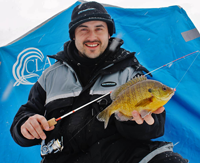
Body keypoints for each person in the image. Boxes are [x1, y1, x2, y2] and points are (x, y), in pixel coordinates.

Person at [10, 1, 188, 163]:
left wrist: (134, 122)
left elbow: (155, 127)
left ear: (109, 33)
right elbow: (25, 115)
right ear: (74, 36)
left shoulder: (131, 71)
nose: (92, 36)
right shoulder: (49, 75)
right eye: (83, 29)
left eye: (99, 28)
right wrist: (26, 125)